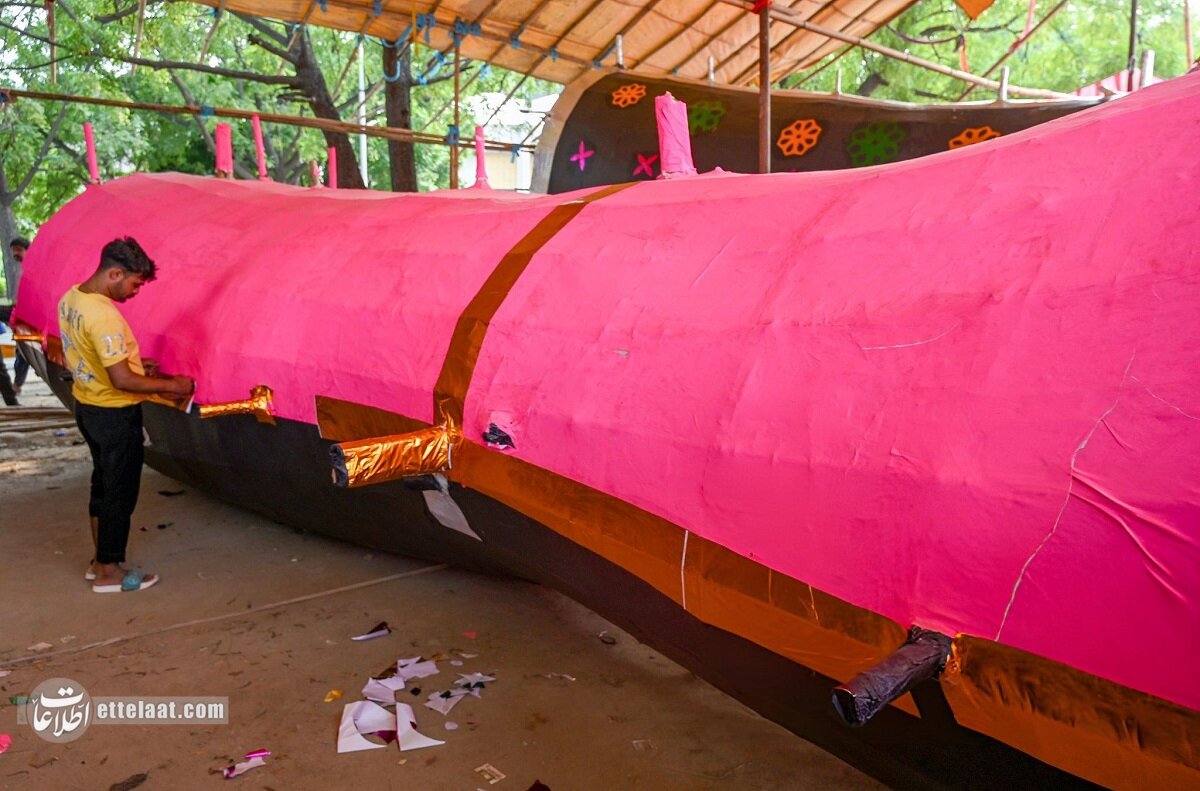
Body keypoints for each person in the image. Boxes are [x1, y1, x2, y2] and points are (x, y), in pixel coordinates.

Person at [60, 237, 194, 593]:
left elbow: (91, 356)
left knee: (103, 485)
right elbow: (122, 381)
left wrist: (133, 363)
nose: (135, 292)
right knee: (119, 494)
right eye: (135, 284)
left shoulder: (71, 299)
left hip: (87, 407)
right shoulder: (104, 316)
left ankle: (98, 561)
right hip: (114, 415)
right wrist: (171, 386)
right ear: (115, 274)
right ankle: (109, 572)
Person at [9, 237, 30, 393]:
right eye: (13, 250)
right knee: (22, 351)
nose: (15, 253)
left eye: (19, 250)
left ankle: (17, 384)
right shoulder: (20, 269)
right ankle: (17, 384)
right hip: (20, 314)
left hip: (30, 316)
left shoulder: (34, 268)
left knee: (24, 351)